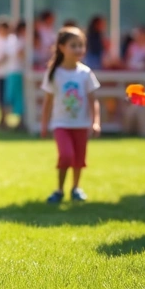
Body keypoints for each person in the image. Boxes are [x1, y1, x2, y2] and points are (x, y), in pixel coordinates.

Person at [40, 26, 101, 204]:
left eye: (81, 45)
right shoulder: (54, 73)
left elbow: (93, 101)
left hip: (81, 124)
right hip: (61, 124)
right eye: (73, 45)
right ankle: (59, 189)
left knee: (79, 159)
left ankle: (75, 188)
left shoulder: (86, 73)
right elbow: (47, 102)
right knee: (66, 155)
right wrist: (44, 125)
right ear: (61, 47)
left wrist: (95, 122)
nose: (78, 49)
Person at [0, 18, 19, 130]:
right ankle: (2, 119)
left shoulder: (12, 40)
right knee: (0, 98)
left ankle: (5, 119)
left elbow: (6, 56)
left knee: (7, 98)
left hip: (9, 73)